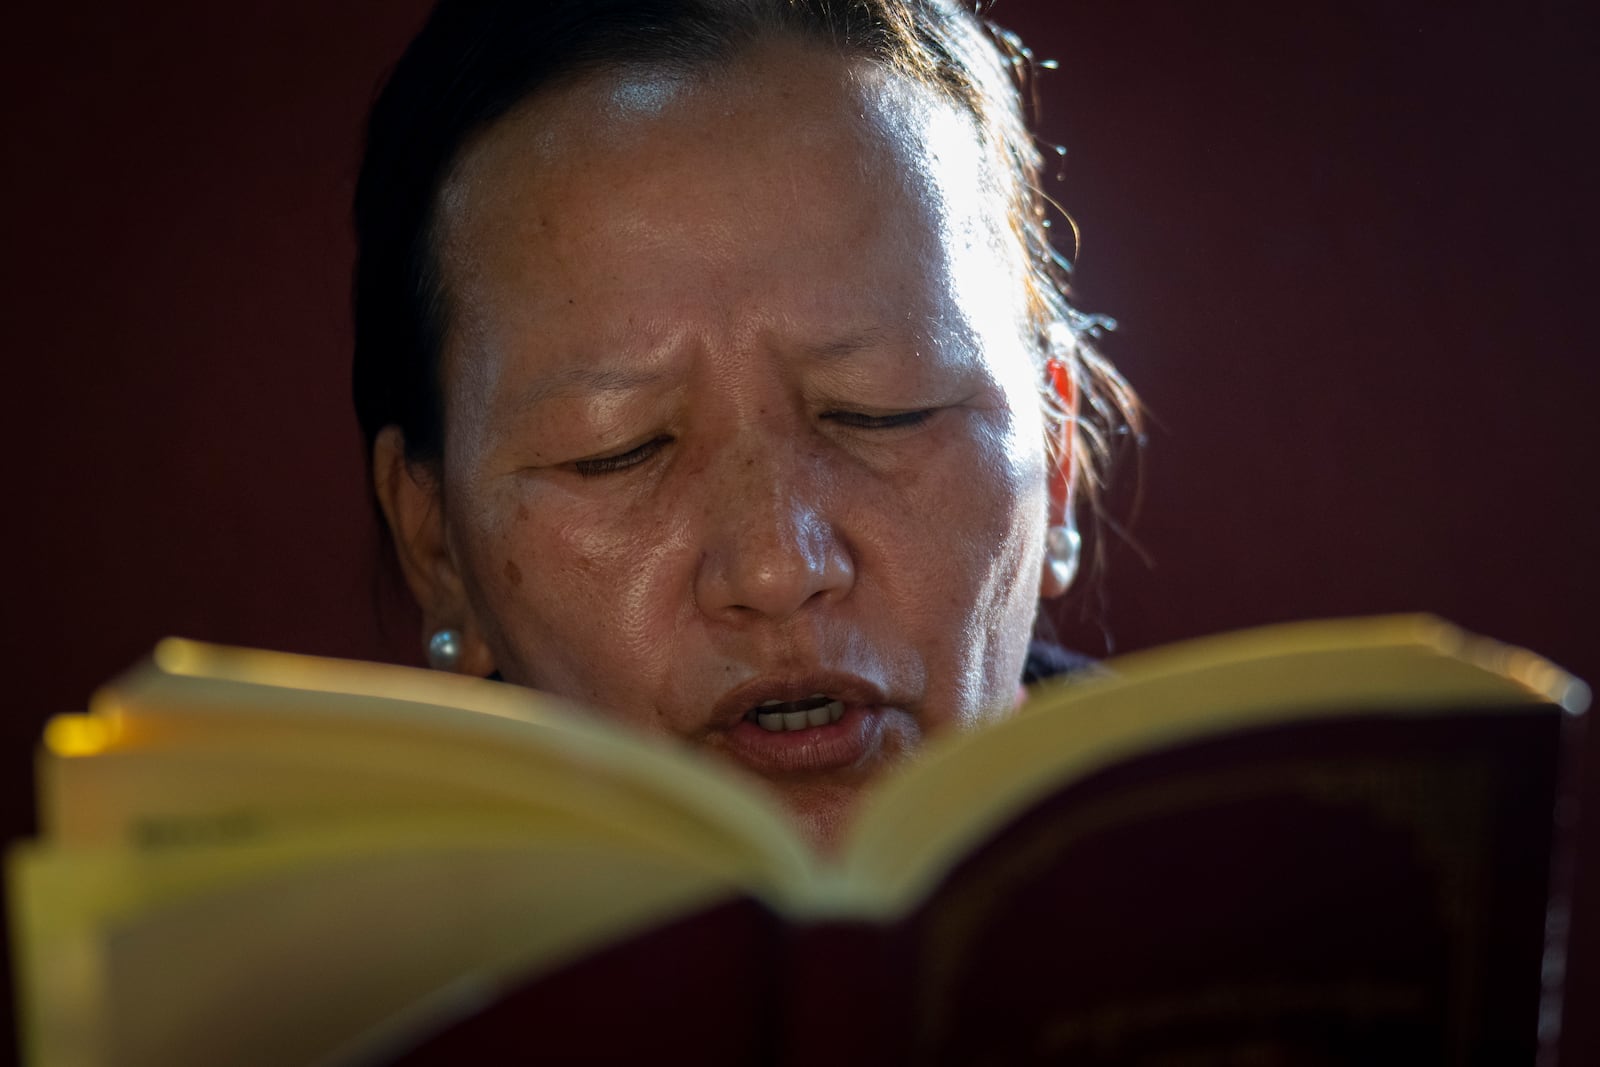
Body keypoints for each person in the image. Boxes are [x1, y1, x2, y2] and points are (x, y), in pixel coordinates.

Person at [353, 0, 1138, 848]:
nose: (776, 568)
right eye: (615, 450)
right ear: (438, 546)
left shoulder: (1275, 915)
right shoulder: (305, 972)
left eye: (883, 410)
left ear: (1055, 460)